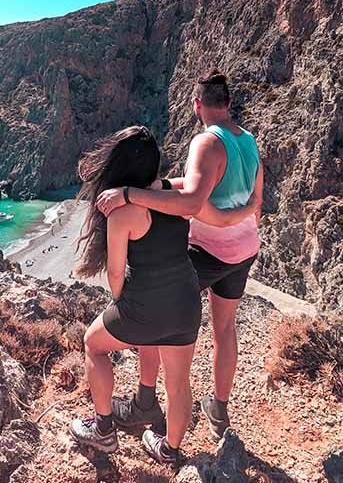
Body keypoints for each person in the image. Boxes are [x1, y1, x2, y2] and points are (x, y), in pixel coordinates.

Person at [68, 125, 255, 466]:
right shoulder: (177, 195)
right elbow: (202, 198)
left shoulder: (121, 212)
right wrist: (249, 207)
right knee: (179, 382)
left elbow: (114, 272)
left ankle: (104, 430)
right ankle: (169, 449)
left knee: (94, 345)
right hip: (185, 301)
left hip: (143, 305)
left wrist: (123, 301)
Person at [96, 70, 263, 441]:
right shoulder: (250, 141)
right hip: (244, 249)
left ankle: (145, 401)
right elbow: (257, 205)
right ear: (230, 103)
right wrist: (238, 217)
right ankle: (218, 409)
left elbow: (189, 203)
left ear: (197, 105)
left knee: (160, 312)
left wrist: (128, 194)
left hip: (205, 252)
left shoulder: (205, 142)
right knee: (224, 329)